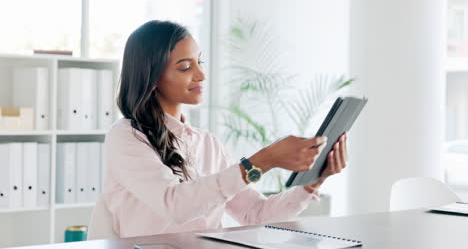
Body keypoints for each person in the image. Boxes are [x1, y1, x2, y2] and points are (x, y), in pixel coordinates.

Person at [102, 20, 348, 238]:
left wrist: (314, 182)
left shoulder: (207, 144)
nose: (201, 75)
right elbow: (175, 205)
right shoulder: (127, 136)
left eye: (199, 62)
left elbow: (256, 214)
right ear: (152, 77)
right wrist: (262, 161)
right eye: (186, 67)